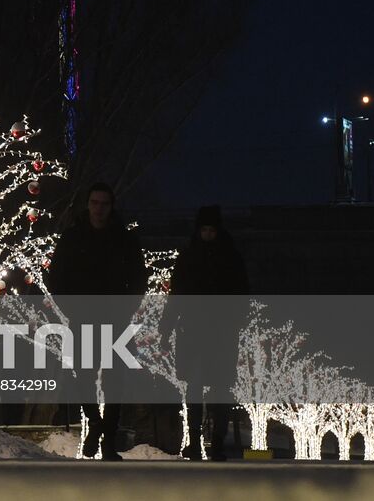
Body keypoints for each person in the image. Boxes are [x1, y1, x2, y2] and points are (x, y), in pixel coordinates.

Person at [48, 182, 148, 460]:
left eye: (104, 203)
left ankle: (108, 441)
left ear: (111, 206)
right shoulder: (73, 237)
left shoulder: (125, 240)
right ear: (88, 204)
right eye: (95, 202)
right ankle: (95, 422)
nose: (99, 208)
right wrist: (70, 308)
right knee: (84, 374)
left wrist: (129, 307)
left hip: (116, 316)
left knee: (115, 380)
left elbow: (139, 278)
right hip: (83, 315)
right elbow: (56, 277)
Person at [159, 205, 249, 461]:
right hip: (203, 330)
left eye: (211, 230)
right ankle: (200, 441)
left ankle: (212, 441)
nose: (208, 234)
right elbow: (176, 295)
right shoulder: (216, 257)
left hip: (210, 330)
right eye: (205, 230)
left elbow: (241, 294)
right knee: (201, 387)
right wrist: (166, 328)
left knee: (213, 387)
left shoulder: (220, 257)